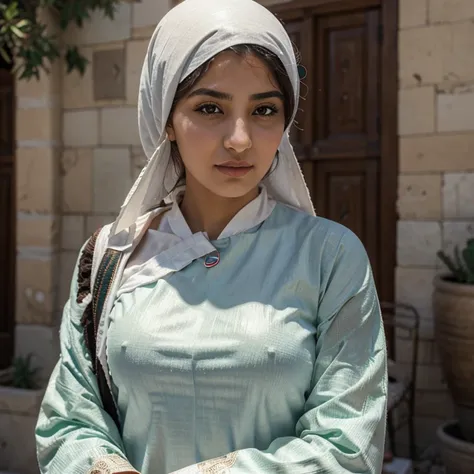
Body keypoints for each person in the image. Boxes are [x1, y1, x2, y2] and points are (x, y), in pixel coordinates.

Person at [36, 0, 387, 473]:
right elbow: (70, 421)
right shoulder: (109, 259)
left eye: (264, 109)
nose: (240, 138)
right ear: (167, 121)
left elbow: (347, 442)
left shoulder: (330, 258)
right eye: (209, 108)